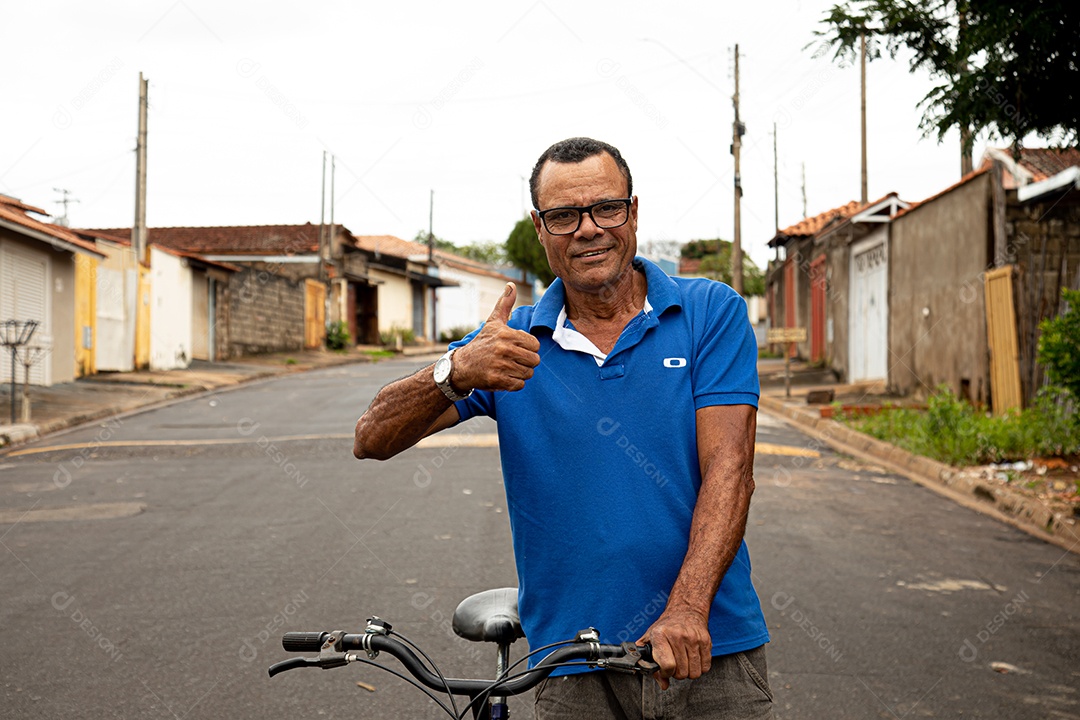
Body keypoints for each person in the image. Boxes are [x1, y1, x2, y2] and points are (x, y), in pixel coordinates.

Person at [354, 137, 772, 719]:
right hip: (571, 666)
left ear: (632, 212)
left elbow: (730, 470)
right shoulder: (512, 342)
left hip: (708, 647)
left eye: (607, 208)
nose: (589, 229)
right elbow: (370, 437)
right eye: (564, 216)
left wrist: (686, 611)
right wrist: (453, 371)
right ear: (541, 228)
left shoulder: (708, 312)